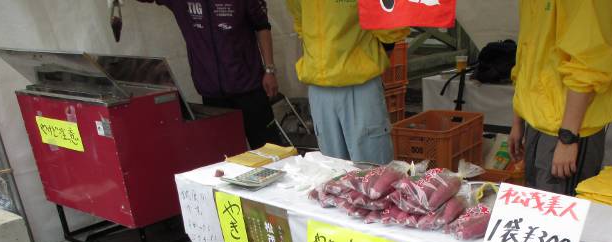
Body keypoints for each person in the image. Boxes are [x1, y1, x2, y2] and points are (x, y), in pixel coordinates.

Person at [508, 0, 612, 195]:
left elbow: (588, 65)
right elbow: (527, 59)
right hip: (538, 123)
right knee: (536, 211)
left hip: (568, 129)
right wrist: (518, 119)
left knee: (559, 216)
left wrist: (568, 138)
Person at [130, 0, 281, 149]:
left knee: (270, 150)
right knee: (227, 157)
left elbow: (262, 27)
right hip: (212, 94)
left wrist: (269, 70)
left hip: (249, 86)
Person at [284, 0, 408, 165]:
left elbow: (390, 24)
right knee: (340, 171)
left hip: (352, 84)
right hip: (332, 84)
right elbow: (300, 22)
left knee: (367, 172)